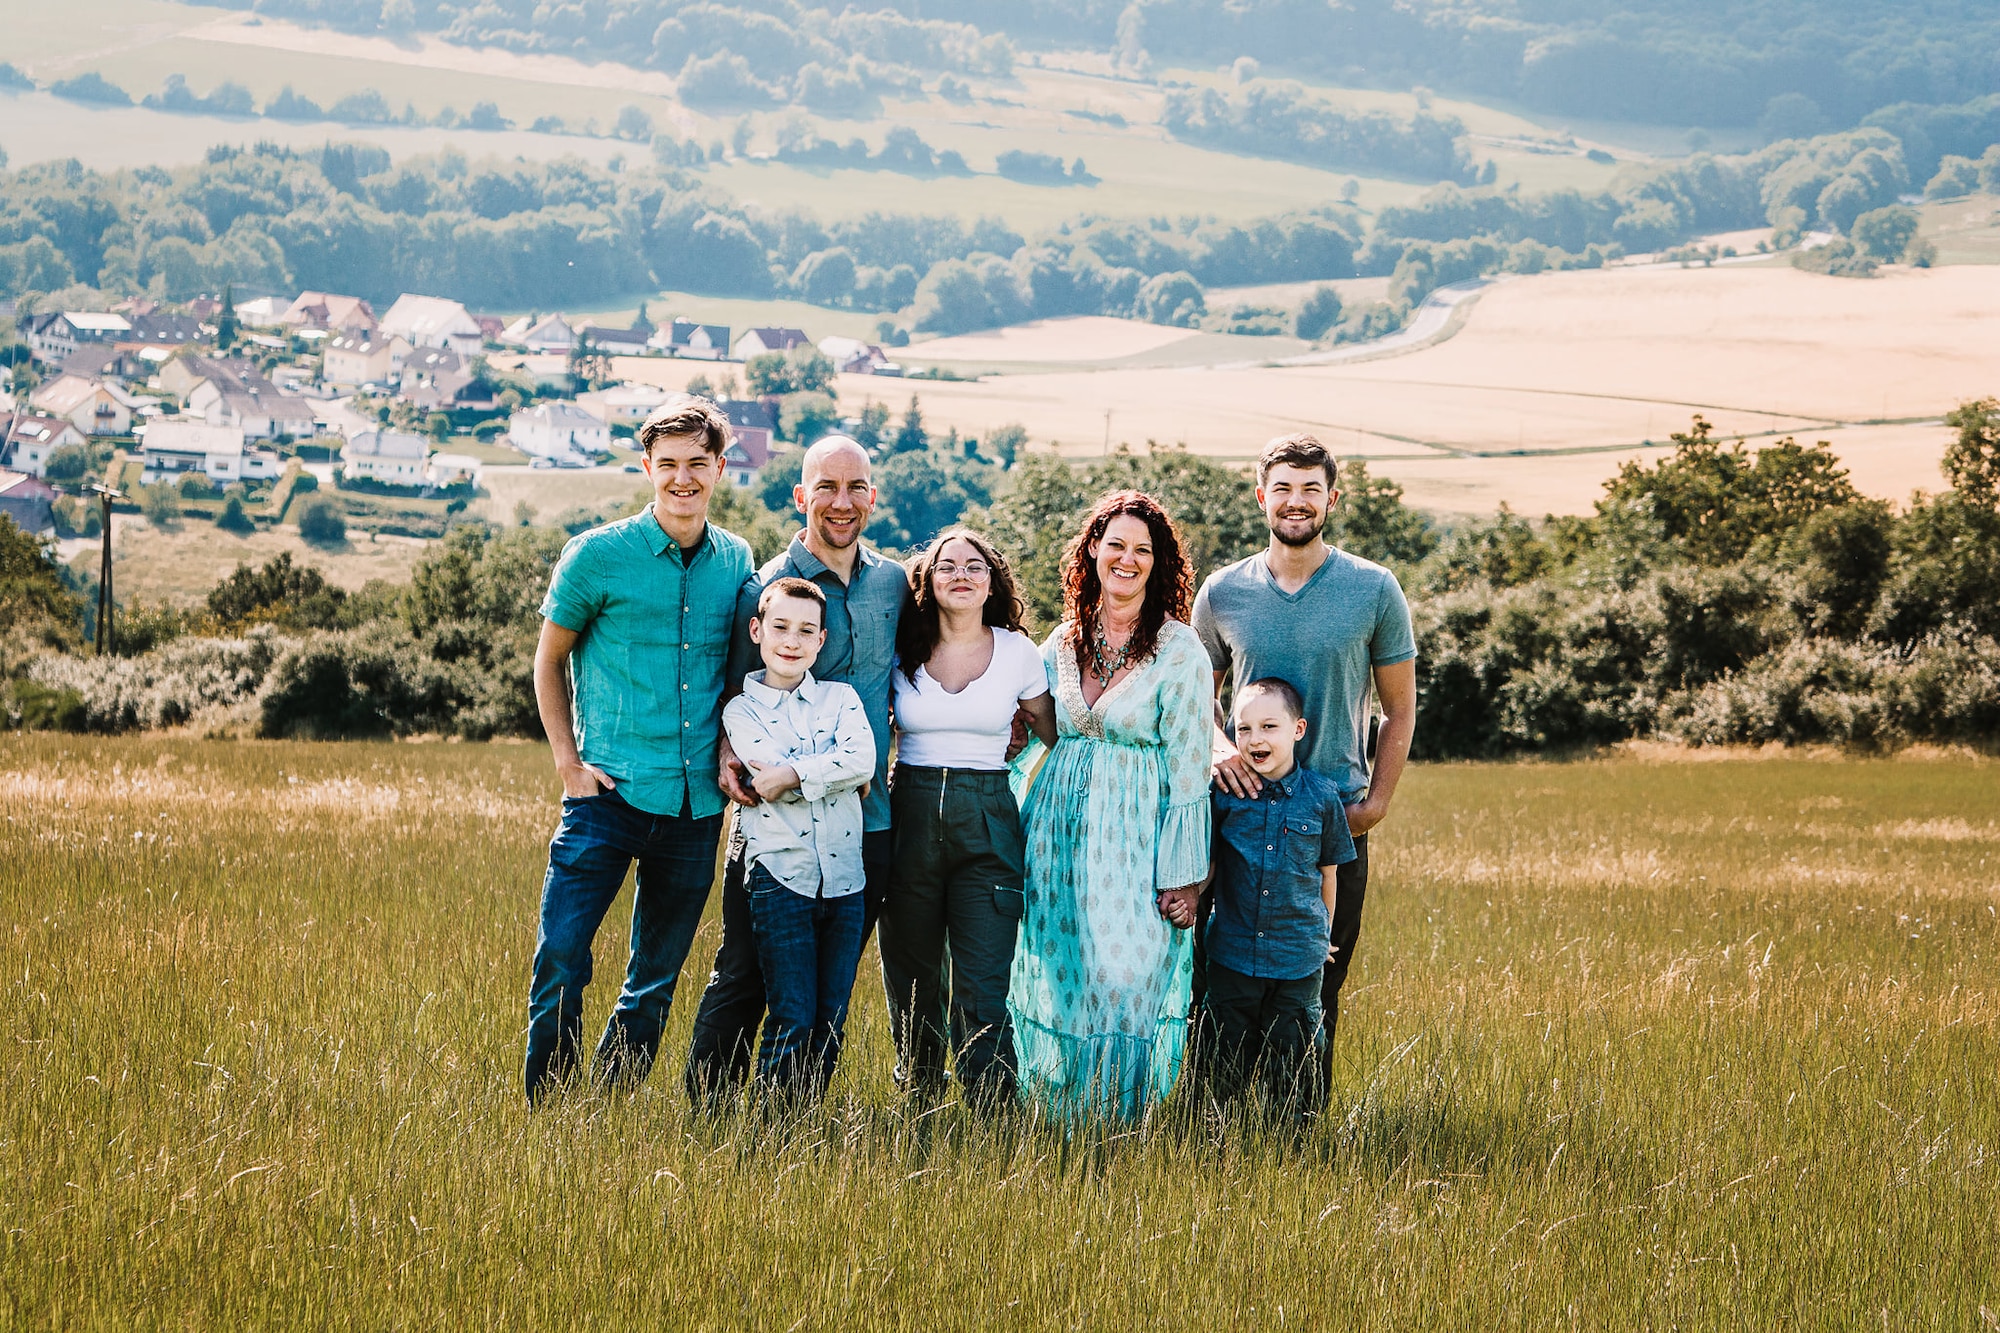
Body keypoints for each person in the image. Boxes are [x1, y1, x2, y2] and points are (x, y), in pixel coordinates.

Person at [523, 396, 755, 1104]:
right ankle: (551, 1111)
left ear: (719, 468)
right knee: (562, 958)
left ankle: (607, 1108)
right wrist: (567, 764)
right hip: (606, 796)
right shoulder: (597, 556)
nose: (682, 479)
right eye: (668, 465)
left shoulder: (737, 560)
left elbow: (735, 676)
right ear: (647, 467)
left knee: (652, 981)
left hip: (692, 809)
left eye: (697, 464)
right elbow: (548, 660)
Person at [684, 434, 908, 1107]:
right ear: (800, 494)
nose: (842, 503)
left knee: (827, 992)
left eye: (856, 487)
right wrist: (728, 755)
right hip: (771, 828)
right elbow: (728, 691)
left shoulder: (896, 582)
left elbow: (928, 664)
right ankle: (711, 1114)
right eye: (827, 488)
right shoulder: (761, 588)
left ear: (872, 495)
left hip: (865, 825)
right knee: (744, 975)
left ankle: (795, 1117)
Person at [1191, 433, 1417, 1088]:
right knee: (1221, 987)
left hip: (1331, 823)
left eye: (1311, 489)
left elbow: (1400, 709)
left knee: (1318, 983)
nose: (1297, 501)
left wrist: (1376, 802)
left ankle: (1298, 1135)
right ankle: (1212, 1129)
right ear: (1262, 496)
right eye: (1284, 488)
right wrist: (1225, 752)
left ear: (1332, 499)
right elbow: (1194, 700)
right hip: (1235, 824)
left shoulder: (1374, 589)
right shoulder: (1223, 591)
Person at [1007, 491, 1213, 1124]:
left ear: (1160, 565)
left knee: (1125, 985)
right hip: (1053, 838)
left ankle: (1120, 1132)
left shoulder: (1181, 653)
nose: (1127, 559)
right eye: (1115, 544)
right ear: (1092, 551)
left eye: (1142, 551)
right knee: (1062, 977)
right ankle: (1055, 1125)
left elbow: (1188, 770)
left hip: (1136, 840)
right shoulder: (1061, 644)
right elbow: (1026, 735)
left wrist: (1187, 876)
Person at [880, 529, 1058, 1110]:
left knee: (982, 984)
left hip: (988, 821)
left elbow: (1052, 736)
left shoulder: (1018, 654)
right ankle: (922, 1106)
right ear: (927, 581)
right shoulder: (901, 646)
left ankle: (992, 1115)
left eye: (974, 566)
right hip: (907, 815)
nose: (961, 574)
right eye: (946, 565)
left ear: (991, 580)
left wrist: (1015, 756)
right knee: (912, 979)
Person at [721, 577, 877, 1106]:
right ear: (757, 630)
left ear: (821, 641)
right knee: (791, 1012)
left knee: (831, 1017)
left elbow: (863, 761)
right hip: (780, 878)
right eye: (781, 627)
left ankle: (804, 1123)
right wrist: (821, 771)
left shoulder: (842, 697)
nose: (792, 640)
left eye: (806, 631)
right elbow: (765, 781)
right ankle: (769, 1132)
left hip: (846, 882)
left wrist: (793, 773)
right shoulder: (740, 710)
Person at [1199, 678, 1356, 1119]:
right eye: (1244, 729)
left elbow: (1329, 875)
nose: (1255, 739)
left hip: (1298, 958)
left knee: (1293, 1067)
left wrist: (1322, 934)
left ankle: (1289, 1150)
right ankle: (1217, 1146)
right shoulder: (1225, 795)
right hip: (1233, 952)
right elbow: (1210, 866)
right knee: (1221, 1063)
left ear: (1298, 730)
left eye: (1269, 726)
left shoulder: (1323, 798)